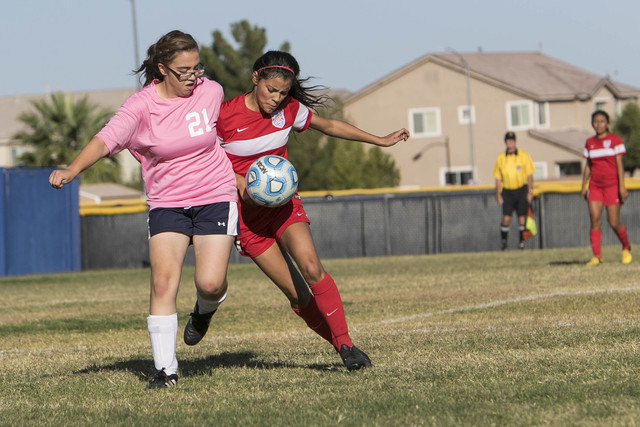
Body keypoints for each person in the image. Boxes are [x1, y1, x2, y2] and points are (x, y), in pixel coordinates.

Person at [185, 50, 409, 371]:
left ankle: (346, 346)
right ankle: (204, 310)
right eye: (270, 90)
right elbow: (203, 160)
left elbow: (329, 125)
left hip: (283, 207)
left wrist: (381, 140)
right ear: (255, 79)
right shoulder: (222, 115)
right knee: (299, 298)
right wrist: (237, 181)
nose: (276, 98)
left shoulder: (289, 110)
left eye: (283, 92)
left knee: (312, 267)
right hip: (246, 219)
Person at [48, 30, 238, 389]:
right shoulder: (141, 105)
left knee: (210, 284)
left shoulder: (211, 92)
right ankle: (165, 370)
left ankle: (204, 310)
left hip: (215, 193)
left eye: (198, 68)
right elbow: (106, 138)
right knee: (163, 282)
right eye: (184, 70)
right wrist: (72, 169)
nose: (194, 77)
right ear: (162, 69)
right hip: (167, 202)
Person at [581, 110, 631, 266]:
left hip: (612, 186)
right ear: (592, 124)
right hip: (595, 186)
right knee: (595, 219)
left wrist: (622, 187)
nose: (599, 124)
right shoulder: (589, 142)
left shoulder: (615, 140)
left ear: (607, 123)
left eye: (602, 121)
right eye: (596, 121)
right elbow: (588, 165)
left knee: (613, 222)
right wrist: (584, 185)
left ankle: (626, 247)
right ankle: (597, 256)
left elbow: (619, 164)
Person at [493, 131, 535, 250]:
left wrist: (529, 192)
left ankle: (521, 243)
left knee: (522, 218)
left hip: (521, 190)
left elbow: (529, 176)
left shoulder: (523, 156)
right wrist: (498, 194)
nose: (510, 143)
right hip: (507, 191)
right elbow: (497, 177)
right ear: (505, 142)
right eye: (508, 141)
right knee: (506, 218)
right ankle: (504, 242)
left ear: (515, 142)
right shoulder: (501, 158)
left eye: (512, 140)